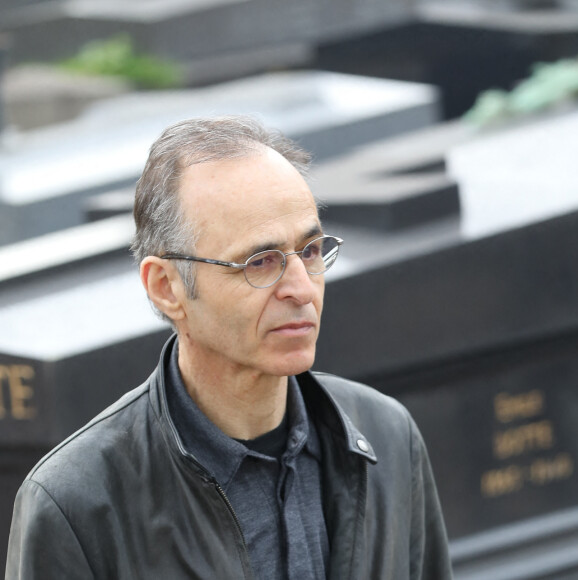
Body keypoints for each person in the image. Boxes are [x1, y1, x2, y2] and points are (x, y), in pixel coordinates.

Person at [6, 116, 452, 579]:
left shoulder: (387, 436)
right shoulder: (75, 504)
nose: (302, 288)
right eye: (261, 261)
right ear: (166, 287)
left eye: (312, 250)